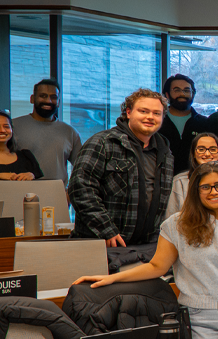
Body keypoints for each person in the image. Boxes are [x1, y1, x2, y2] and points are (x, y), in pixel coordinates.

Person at [73, 161, 218, 339]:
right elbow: (156, 266)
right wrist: (112, 278)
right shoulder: (178, 224)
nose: (214, 192)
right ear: (195, 191)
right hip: (201, 317)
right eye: (205, 187)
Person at [70, 88, 175, 247]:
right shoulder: (103, 143)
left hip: (145, 246)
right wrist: (105, 229)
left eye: (156, 113)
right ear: (128, 112)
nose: (150, 117)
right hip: (102, 243)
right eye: (143, 111)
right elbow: (80, 188)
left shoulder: (165, 151)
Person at [10, 79, 82, 187]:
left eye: (53, 97)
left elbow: (82, 168)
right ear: (32, 99)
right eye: (43, 96)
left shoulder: (70, 132)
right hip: (21, 192)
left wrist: (70, 194)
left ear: (58, 102)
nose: (48, 101)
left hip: (57, 195)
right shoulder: (12, 127)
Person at [164, 132, 218, 218]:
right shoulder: (179, 182)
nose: (207, 154)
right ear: (193, 153)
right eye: (201, 149)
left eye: (213, 149)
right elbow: (171, 218)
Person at [0, 110, 42, 199]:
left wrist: (32, 176)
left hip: (23, 211)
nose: (2, 130)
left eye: (6, 126)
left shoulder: (26, 156)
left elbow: (40, 192)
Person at [158, 74, 197, 173]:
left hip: (196, 181)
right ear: (167, 95)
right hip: (161, 181)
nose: (182, 94)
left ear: (193, 94)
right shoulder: (157, 123)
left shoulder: (205, 123)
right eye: (177, 90)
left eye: (187, 90)